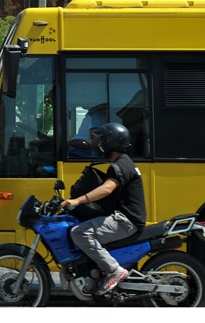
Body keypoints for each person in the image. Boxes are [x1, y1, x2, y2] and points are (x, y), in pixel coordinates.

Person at [60, 123, 146, 294]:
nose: (98, 145)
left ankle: (114, 270)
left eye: (101, 141)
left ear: (110, 142)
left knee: (79, 232)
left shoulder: (119, 166)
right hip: (125, 218)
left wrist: (78, 200)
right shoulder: (124, 162)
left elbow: (107, 188)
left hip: (125, 221)